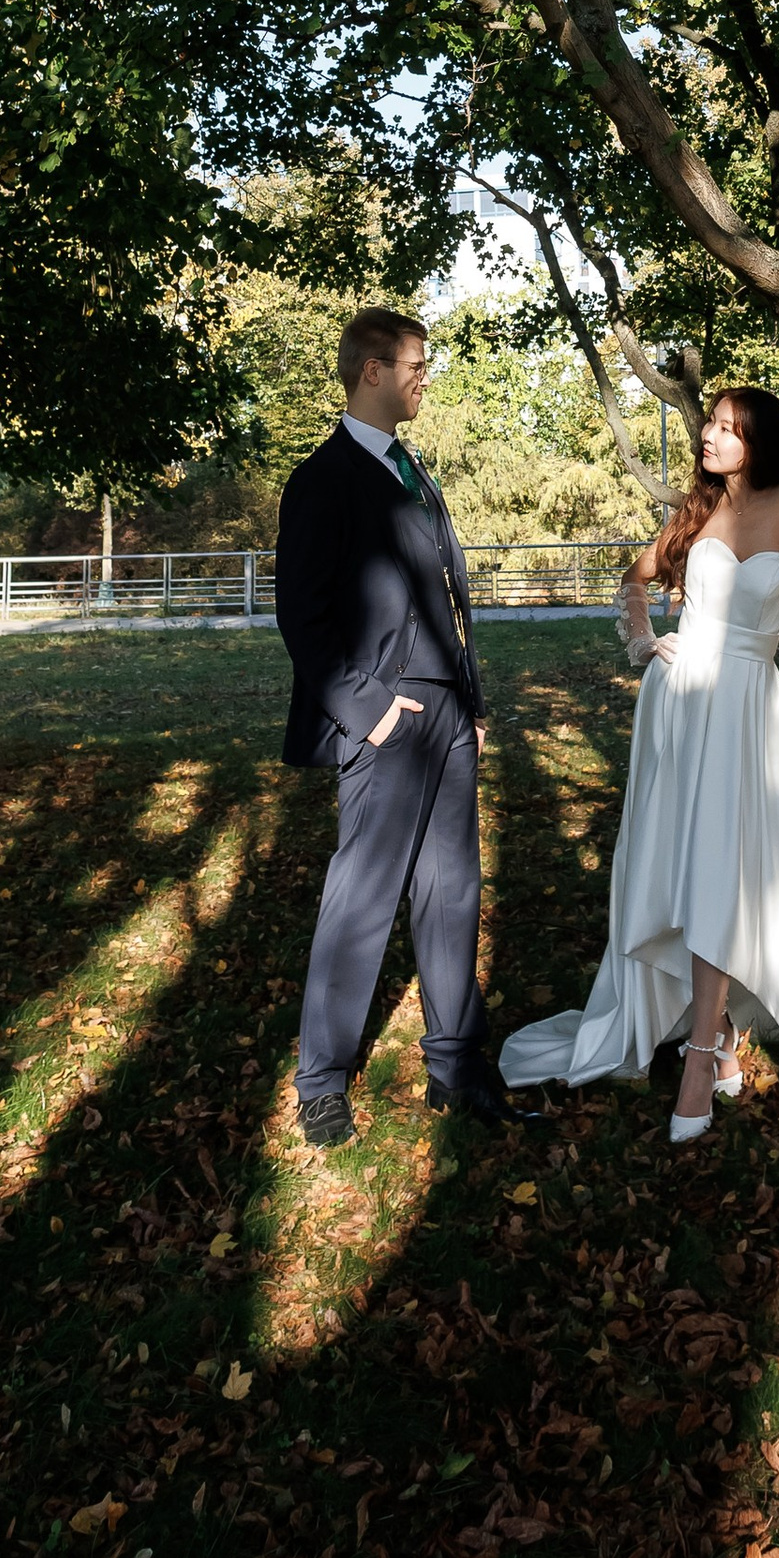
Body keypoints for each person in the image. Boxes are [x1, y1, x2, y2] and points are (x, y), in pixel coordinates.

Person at [499, 384, 779, 1141]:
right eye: (709, 424)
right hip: (681, 705)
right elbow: (634, 580)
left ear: (758, 442)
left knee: (726, 870)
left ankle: (708, 1045)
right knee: (690, 868)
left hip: (749, 709)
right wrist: (641, 641)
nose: (708, 436)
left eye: (727, 428)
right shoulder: (695, 513)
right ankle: (708, 1043)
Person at [275, 307, 541, 1150]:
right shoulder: (321, 480)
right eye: (417, 365)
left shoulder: (413, 468)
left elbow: (443, 598)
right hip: (385, 719)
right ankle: (321, 1082)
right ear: (373, 371)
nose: (426, 377)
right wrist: (371, 710)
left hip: (450, 714)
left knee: (452, 890)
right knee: (362, 896)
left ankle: (455, 1066)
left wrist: (473, 706)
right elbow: (302, 617)